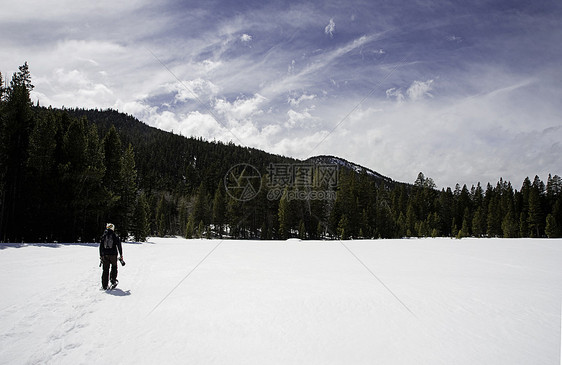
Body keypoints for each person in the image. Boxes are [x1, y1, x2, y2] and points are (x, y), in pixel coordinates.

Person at [99, 223, 123, 289]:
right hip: (113, 255)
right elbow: (119, 246)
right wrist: (121, 255)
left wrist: (101, 255)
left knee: (105, 270)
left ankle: (104, 285)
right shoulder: (115, 235)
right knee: (114, 267)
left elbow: (101, 247)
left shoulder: (104, 236)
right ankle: (113, 280)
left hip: (105, 255)